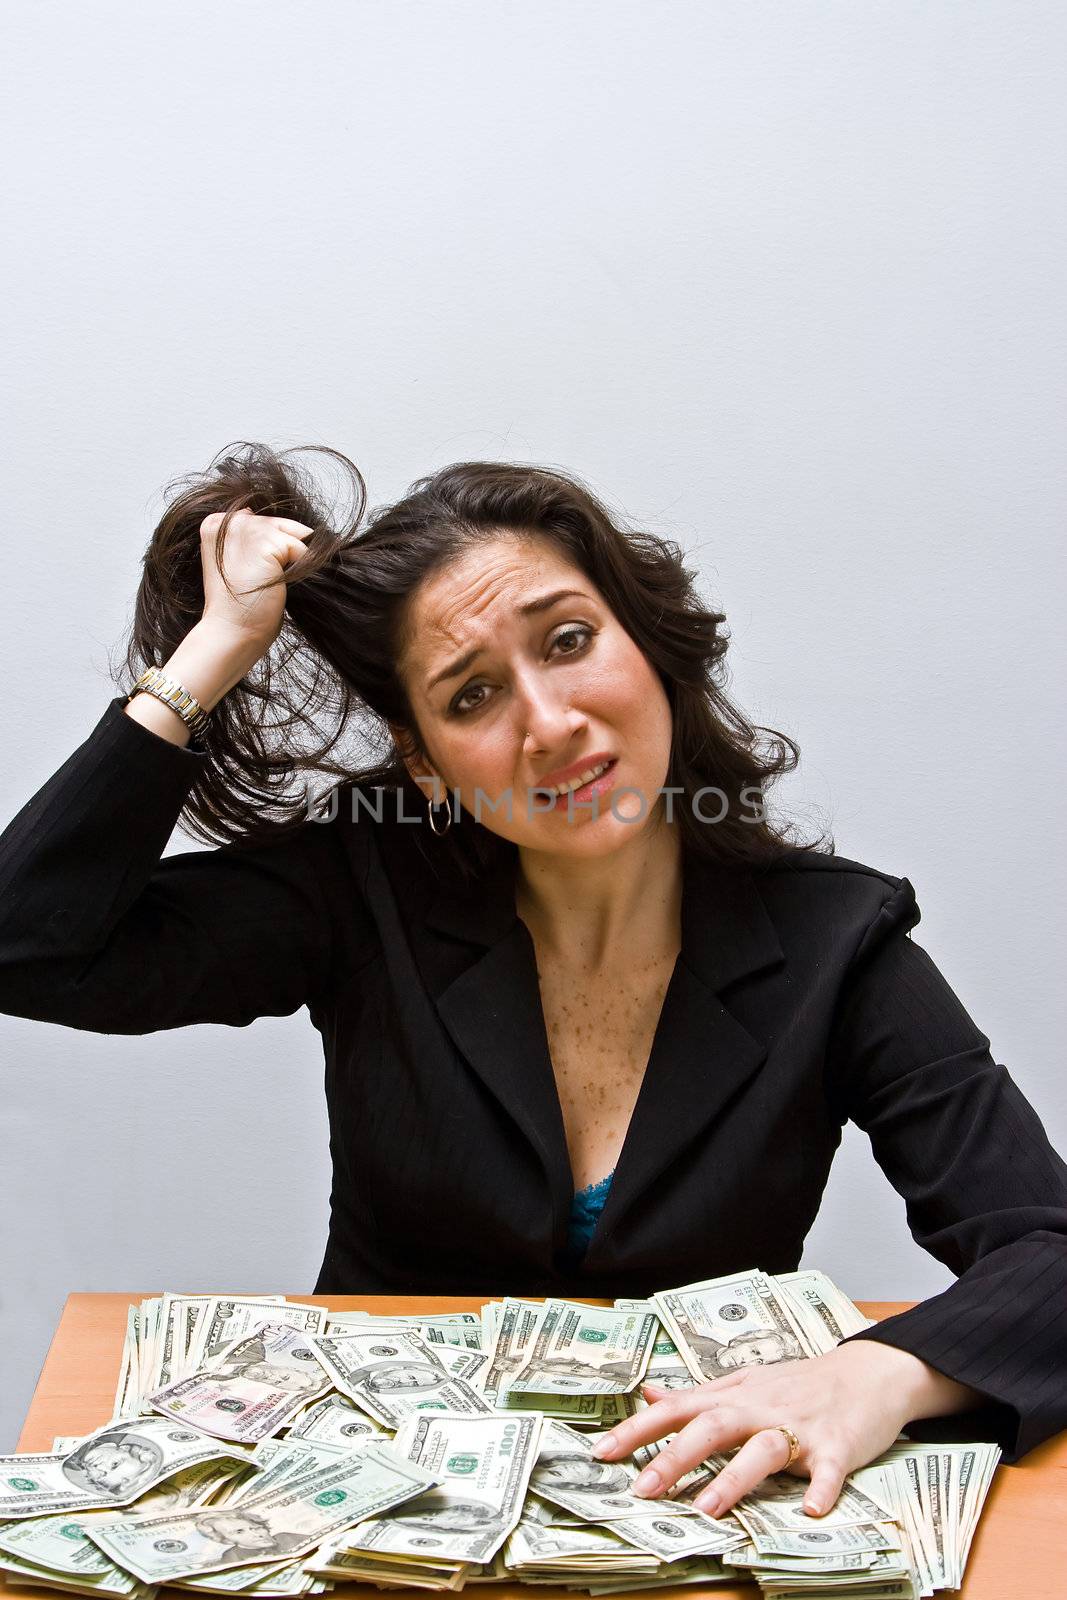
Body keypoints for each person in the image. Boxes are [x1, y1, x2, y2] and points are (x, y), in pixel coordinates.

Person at [0, 442, 1065, 1523]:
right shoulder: (363, 888)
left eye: (568, 641)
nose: (550, 723)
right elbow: (25, 944)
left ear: (645, 642)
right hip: (373, 1524)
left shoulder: (838, 941)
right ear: (424, 765)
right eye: (470, 697)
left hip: (690, 1526)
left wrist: (871, 1375)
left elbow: (1048, 1247)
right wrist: (213, 652)